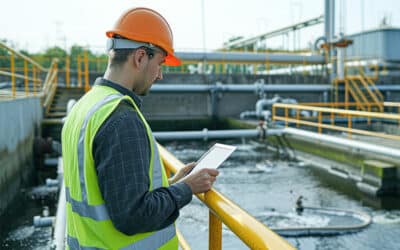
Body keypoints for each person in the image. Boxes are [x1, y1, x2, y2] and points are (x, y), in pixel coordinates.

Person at [61, 7, 219, 249]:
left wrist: (172, 182)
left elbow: (109, 188)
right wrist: (187, 188)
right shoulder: (121, 119)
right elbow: (133, 216)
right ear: (140, 57)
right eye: (160, 63)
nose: (160, 75)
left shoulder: (84, 107)